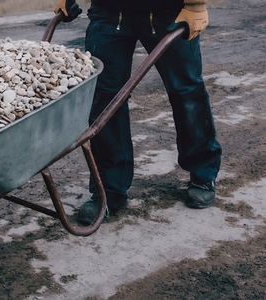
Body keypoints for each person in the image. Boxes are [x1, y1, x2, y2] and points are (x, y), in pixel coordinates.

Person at [54, 0, 222, 224]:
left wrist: (195, 5)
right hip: (109, 11)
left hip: (169, 11)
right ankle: (109, 191)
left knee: (186, 93)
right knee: (104, 99)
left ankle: (203, 175)